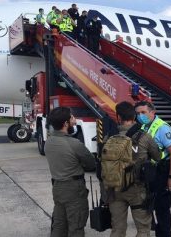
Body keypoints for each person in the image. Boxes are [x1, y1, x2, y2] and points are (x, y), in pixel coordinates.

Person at [108, 101, 161, 237]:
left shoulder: (109, 138)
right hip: (137, 190)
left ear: (118, 117)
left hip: (115, 190)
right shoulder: (144, 137)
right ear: (134, 117)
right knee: (143, 229)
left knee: (117, 230)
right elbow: (158, 156)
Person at [44, 107, 96, 237]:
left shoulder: (49, 142)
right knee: (76, 225)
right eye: (72, 118)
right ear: (66, 123)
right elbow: (91, 163)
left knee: (59, 224)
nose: (74, 120)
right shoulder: (74, 144)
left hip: (57, 187)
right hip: (74, 189)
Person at [135, 101, 171, 237]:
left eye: (143, 112)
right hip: (150, 173)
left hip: (162, 172)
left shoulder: (162, 128)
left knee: (162, 210)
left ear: (153, 112)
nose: (140, 116)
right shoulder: (143, 127)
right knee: (150, 206)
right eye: (138, 113)